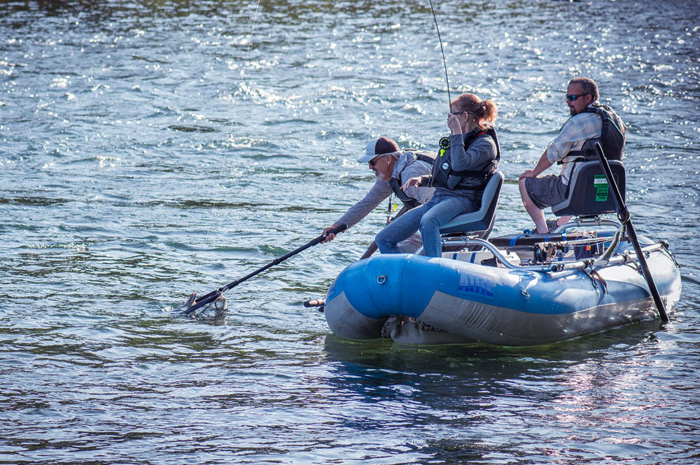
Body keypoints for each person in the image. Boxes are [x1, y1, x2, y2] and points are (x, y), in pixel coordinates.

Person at [375, 93, 500, 258]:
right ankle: (403, 275)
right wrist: (422, 180)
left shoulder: (485, 144)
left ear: (464, 116)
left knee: (429, 222)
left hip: (465, 200)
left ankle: (434, 268)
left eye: (452, 114)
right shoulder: (458, 139)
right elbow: (445, 173)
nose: (448, 119)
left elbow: (460, 164)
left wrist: (456, 133)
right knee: (384, 238)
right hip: (440, 197)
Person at [519, 77, 626, 234]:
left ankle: (543, 231)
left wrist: (534, 173)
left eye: (572, 98)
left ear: (588, 98)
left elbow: (553, 154)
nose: (568, 102)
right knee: (578, 173)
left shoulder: (577, 122)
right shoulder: (615, 120)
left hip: (573, 191)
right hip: (607, 192)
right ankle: (562, 223)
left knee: (524, 182)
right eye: (567, 97)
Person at [321, 137, 435, 252]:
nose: (370, 167)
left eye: (372, 162)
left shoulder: (411, 173)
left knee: (385, 240)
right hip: (434, 216)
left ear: (388, 159)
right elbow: (366, 204)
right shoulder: (390, 177)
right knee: (394, 237)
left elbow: (435, 207)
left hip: (445, 216)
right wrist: (336, 227)